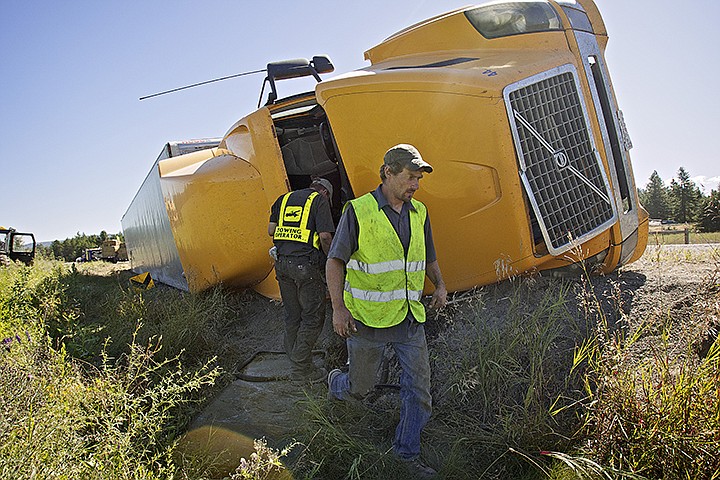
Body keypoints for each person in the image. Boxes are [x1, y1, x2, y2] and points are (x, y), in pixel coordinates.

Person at [325, 144, 447, 478]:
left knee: (419, 390)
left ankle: (406, 456)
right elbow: (334, 262)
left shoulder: (420, 213)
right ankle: (337, 382)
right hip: (367, 320)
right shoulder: (359, 211)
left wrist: (439, 284)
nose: (416, 185)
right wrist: (338, 309)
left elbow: (429, 256)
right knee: (360, 390)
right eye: (410, 177)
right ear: (388, 173)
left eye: (419, 178)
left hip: (409, 319)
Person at [268, 177, 335, 383]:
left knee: (292, 314)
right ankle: (301, 370)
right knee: (313, 317)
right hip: (305, 266)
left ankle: (294, 358)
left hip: (282, 264)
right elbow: (325, 237)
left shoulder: (283, 199)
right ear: (325, 192)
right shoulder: (319, 200)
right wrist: (331, 261)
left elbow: (271, 230)